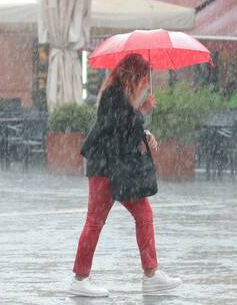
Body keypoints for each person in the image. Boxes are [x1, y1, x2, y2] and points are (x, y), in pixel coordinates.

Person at [69, 53, 182, 297]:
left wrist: (144, 131)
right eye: (144, 76)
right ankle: (80, 278)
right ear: (133, 75)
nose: (146, 82)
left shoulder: (120, 95)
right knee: (95, 221)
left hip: (118, 167)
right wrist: (142, 111)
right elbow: (120, 129)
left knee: (144, 214)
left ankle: (151, 273)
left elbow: (125, 129)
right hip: (106, 168)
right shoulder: (114, 95)